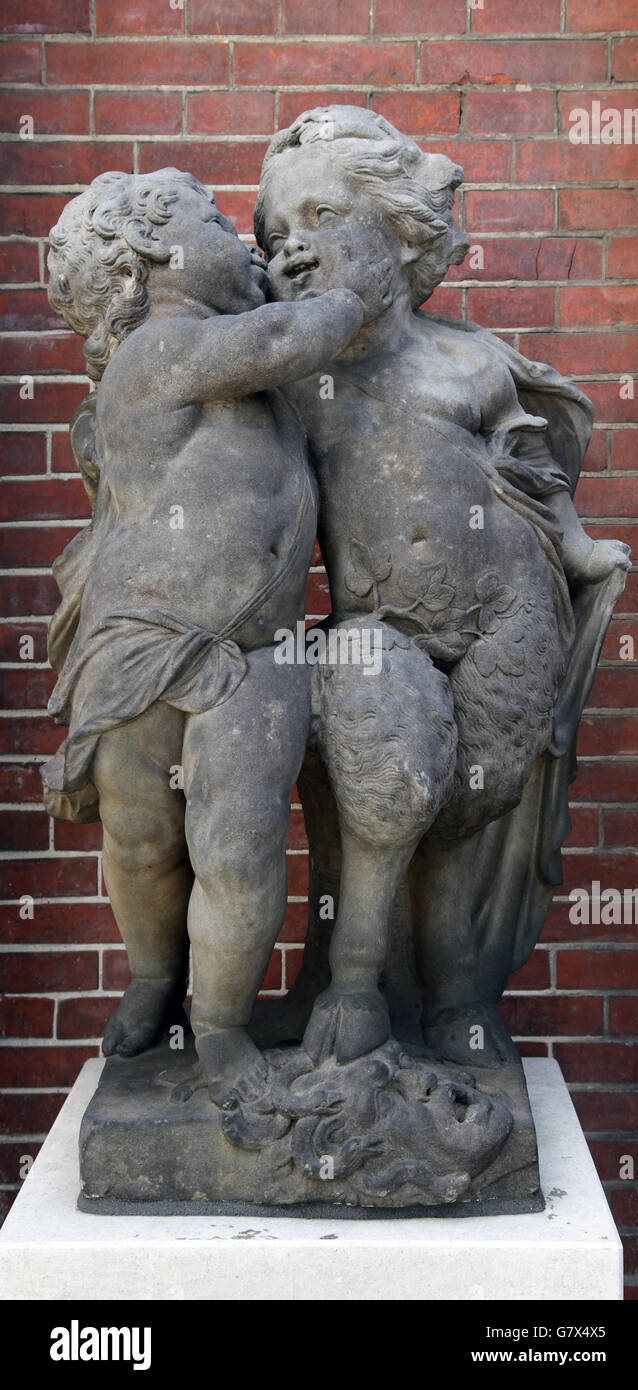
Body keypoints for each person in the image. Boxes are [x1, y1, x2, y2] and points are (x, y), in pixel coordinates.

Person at [254, 108, 630, 1066]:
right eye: (273, 235)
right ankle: (352, 976)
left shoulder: (468, 357)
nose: (293, 247)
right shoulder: (297, 386)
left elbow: (531, 464)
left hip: (512, 615)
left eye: (322, 217)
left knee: (473, 796)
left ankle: (457, 983)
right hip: (380, 622)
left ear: (399, 230)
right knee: (390, 767)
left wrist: (581, 550)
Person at [42, 166, 391, 1104]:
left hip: (258, 656)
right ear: (156, 251)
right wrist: (355, 290)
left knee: (239, 845)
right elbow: (285, 333)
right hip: (144, 647)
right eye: (213, 218)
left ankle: (223, 1023)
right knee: (144, 836)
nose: (242, 235)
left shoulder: (234, 356)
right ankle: (155, 978)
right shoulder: (159, 353)